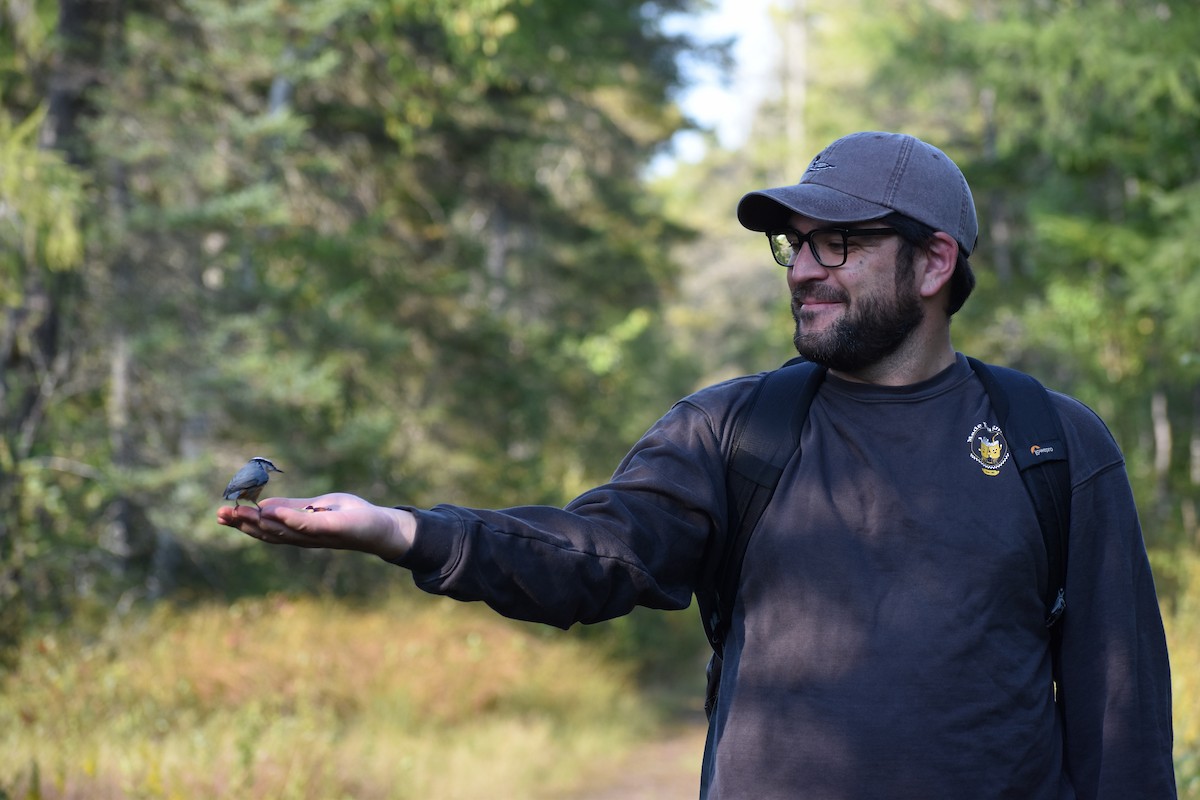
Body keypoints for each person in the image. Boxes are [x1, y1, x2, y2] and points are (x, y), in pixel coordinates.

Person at [218, 131, 1176, 799]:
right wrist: (406, 531)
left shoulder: (1052, 443)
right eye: (794, 243)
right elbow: (599, 553)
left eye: (838, 242)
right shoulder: (736, 430)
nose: (804, 268)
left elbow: (1119, 715)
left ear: (933, 265)